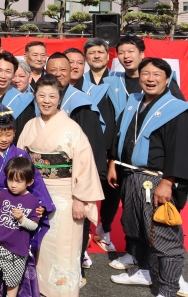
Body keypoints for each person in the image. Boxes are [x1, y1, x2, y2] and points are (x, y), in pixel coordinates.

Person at [16, 74, 104, 296]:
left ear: (60, 99)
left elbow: (84, 166)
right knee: (39, 244)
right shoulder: (29, 125)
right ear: (35, 97)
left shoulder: (72, 128)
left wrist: (80, 199)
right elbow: (20, 160)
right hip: (35, 192)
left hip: (65, 194)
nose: (46, 100)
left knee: (64, 246)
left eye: (52, 96)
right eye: (41, 95)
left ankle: (63, 290)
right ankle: (37, 288)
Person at [109, 58, 188, 296]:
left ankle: (169, 287)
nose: (150, 79)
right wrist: (113, 161)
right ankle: (144, 270)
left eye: (157, 74)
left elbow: (180, 148)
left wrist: (168, 182)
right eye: (146, 73)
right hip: (130, 175)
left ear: (167, 79)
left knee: (162, 233)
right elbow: (120, 134)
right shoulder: (134, 102)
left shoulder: (177, 108)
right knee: (135, 228)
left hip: (156, 179)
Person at [0, 113, 53, 297]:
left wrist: (40, 205)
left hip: (20, 207)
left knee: (19, 251)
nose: (3, 139)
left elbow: (35, 182)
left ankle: (17, 291)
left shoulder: (21, 155)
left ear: (14, 134)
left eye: (8, 134)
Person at [80, 37, 126, 254]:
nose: (96, 55)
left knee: (112, 189)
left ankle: (104, 228)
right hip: (86, 144)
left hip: (112, 146)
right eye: (92, 53)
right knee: (84, 189)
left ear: (108, 56)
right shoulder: (80, 81)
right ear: (85, 57)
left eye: (100, 52)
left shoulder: (119, 82)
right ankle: (84, 235)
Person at [0, 157, 42, 297]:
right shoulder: (3, 194)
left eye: (19, 181)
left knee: (13, 280)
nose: (13, 185)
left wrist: (22, 219)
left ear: (29, 182)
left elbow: (34, 226)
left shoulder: (33, 201)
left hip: (17, 247)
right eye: (10, 179)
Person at [117, 34, 184, 100]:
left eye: (130, 51)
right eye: (121, 53)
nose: (126, 56)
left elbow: (179, 106)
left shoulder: (162, 80)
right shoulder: (115, 82)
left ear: (142, 54)